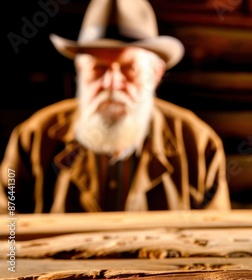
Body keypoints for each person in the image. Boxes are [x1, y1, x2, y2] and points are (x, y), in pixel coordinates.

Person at [0, 0, 231, 213]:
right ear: (80, 71)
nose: (112, 84)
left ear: (156, 73)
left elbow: (216, 243)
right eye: (98, 69)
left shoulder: (198, 144)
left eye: (129, 69)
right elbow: (5, 233)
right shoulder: (33, 138)